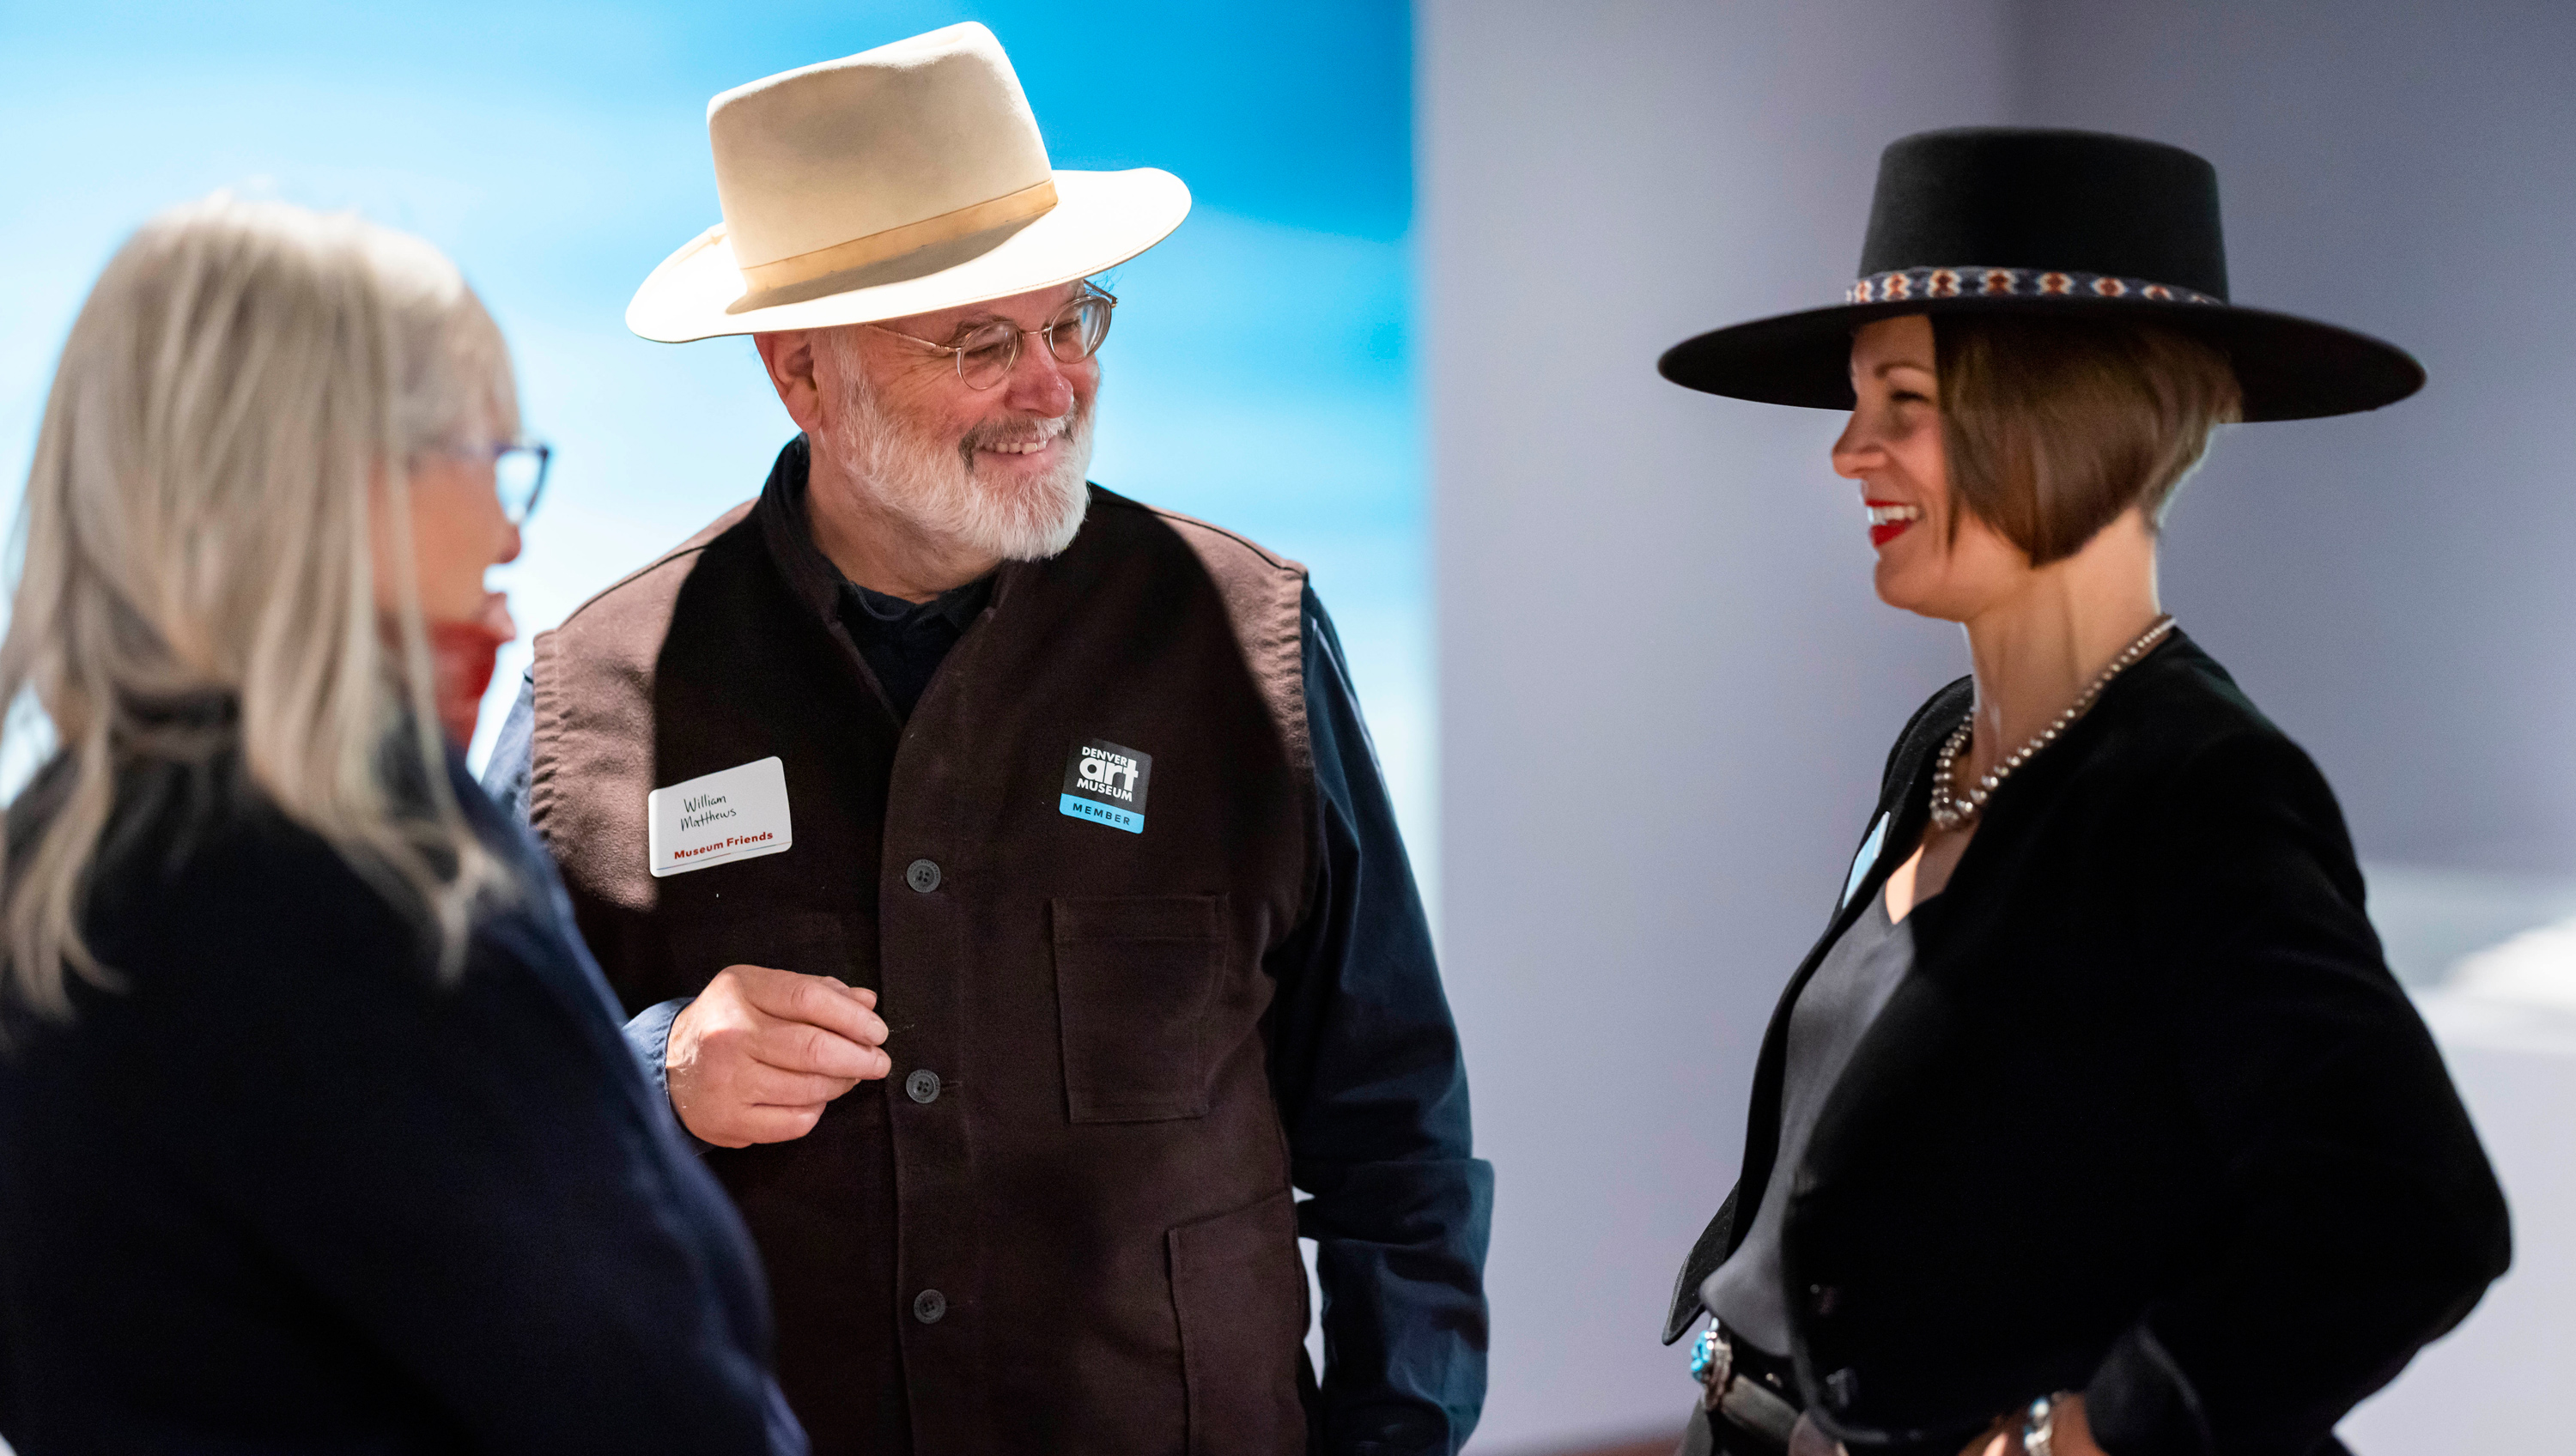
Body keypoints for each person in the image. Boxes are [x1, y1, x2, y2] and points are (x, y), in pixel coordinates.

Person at [481, 23, 1491, 1456]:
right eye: (980, 343)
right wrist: (658, 1075)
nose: (1053, 385)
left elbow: (1395, 1134)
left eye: (1073, 322)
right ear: (801, 377)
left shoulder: (1248, 637)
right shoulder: (591, 697)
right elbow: (456, 1137)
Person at [1649, 129, 2511, 1456]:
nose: (1846, 455)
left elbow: (2408, 1212)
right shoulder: (1946, 740)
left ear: (2067, 422)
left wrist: (2096, 1434)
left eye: (1902, 406)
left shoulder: (2196, 787)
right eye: (1854, 402)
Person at [0, 196, 805, 1454]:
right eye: (487, 459)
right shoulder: (368, 887)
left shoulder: (51, 860)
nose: (508, 526)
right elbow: (653, 1399)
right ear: (327, 478)